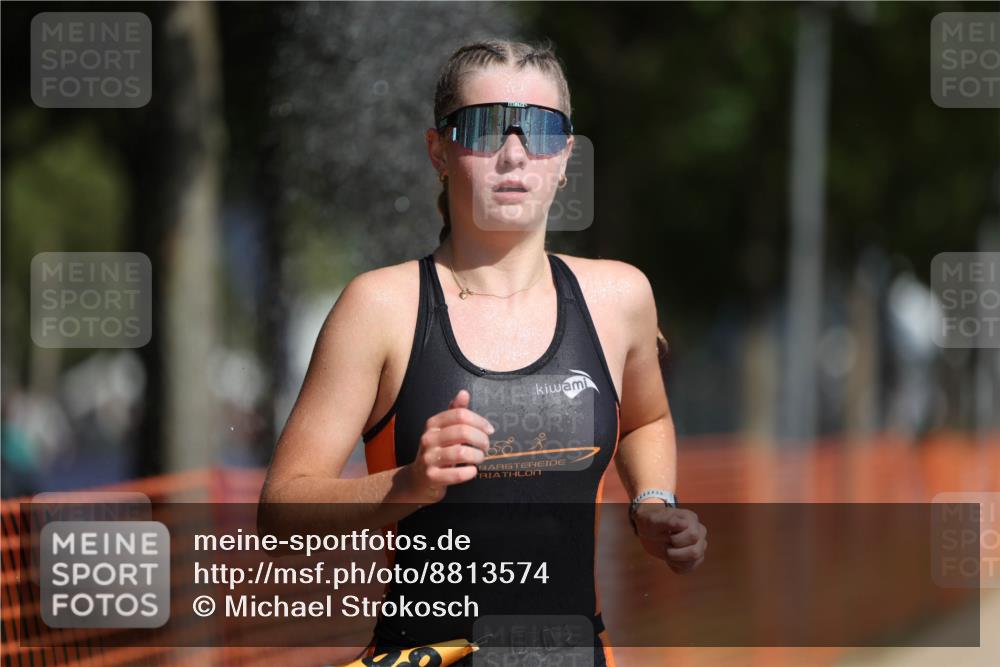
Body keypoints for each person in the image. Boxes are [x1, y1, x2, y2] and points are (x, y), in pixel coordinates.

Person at [260, 38, 707, 667]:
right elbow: (281, 510)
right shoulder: (380, 307)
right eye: (485, 127)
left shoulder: (619, 298)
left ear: (566, 158)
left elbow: (645, 418)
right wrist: (405, 485)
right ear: (438, 150)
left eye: (543, 131)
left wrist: (654, 504)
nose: (514, 154)